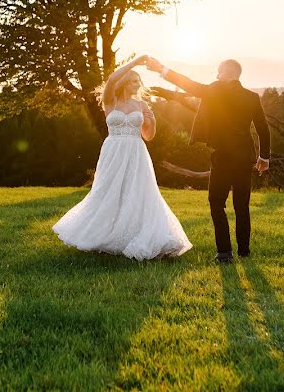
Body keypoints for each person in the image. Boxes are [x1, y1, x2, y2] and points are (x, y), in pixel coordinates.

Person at [52, 55, 192, 260]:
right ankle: (104, 234)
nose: (138, 84)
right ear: (125, 82)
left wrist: (152, 122)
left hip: (136, 151)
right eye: (134, 81)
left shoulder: (142, 106)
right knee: (108, 190)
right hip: (113, 149)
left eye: (138, 81)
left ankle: (136, 234)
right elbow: (110, 80)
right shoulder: (110, 101)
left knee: (138, 191)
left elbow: (148, 136)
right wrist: (135, 62)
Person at [146, 57, 270, 263]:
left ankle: (224, 253)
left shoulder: (215, 90)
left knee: (216, 202)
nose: (216, 76)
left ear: (228, 73)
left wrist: (162, 70)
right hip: (244, 157)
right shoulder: (252, 97)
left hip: (223, 156)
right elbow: (263, 129)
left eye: (219, 72)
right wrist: (263, 156)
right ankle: (244, 252)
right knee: (242, 205)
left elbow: (189, 85)